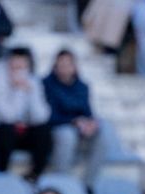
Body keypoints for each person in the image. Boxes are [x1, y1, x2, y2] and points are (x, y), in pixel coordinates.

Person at [0, 47, 52, 177]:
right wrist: (19, 91)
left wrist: (31, 93)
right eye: (15, 65)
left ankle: (35, 175)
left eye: (23, 65)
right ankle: (1, 172)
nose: (19, 69)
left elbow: (42, 116)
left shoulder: (32, 81)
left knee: (43, 131)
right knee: (7, 130)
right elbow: (7, 116)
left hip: (21, 129)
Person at [43, 50, 106, 181]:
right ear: (55, 66)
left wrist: (91, 123)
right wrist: (73, 121)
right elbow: (48, 117)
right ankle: (62, 180)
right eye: (61, 64)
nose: (64, 68)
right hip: (57, 127)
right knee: (67, 135)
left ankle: (89, 184)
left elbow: (88, 112)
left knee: (102, 138)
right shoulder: (46, 84)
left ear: (74, 66)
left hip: (79, 127)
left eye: (68, 64)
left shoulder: (82, 86)